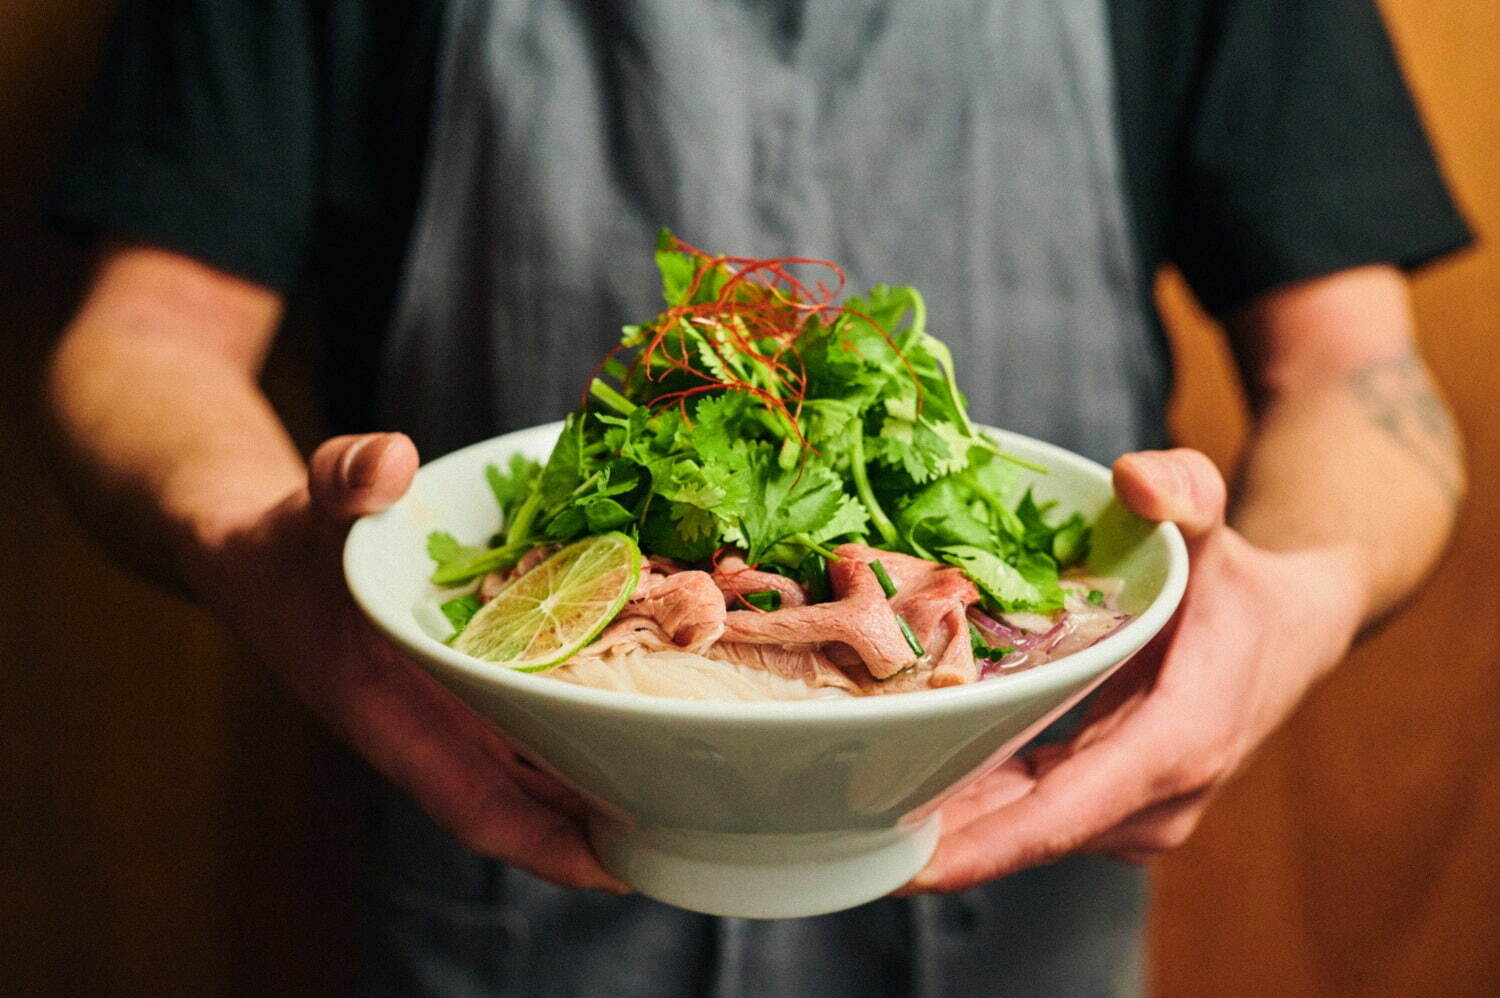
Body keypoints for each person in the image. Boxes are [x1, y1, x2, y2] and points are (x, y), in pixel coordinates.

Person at [43, 0, 1469, 994]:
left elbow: (1358, 372)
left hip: (1023, 893)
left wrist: (1296, 600)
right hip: (508, 886)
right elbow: (150, 334)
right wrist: (249, 545)